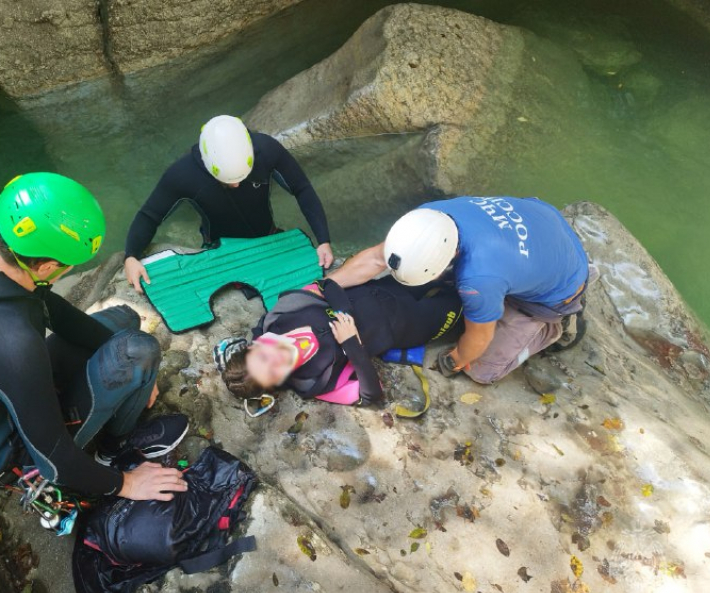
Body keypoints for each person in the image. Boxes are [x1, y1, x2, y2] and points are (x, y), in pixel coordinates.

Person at [0, 172, 189, 501]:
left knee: (124, 320)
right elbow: (54, 461)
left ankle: (129, 384)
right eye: (68, 265)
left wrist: (142, 379)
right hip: (13, 457)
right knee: (139, 350)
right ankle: (112, 450)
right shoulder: (11, 342)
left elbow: (54, 311)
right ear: (47, 267)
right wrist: (127, 484)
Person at [328, 196, 593, 384]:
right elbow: (376, 259)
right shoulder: (428, 219)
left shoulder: (478, 277)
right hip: (541, 223)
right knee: (471, 290)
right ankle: (522, 280)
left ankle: (558, 325)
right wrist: (324, 286)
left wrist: (454, 360)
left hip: (559, 288)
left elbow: (479, 337)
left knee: (480, 369)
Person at [123, 115, 334, 292]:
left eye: (242, 177)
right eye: (228, 180)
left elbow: (301, 188)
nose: (236, 185)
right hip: (221, 249)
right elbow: (149, 215)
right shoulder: (183, 174)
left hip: (268, 237)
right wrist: (131, 255)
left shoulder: (266, 149)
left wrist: (323, 239)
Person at [216, 276, 463, 406]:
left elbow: (326, 285)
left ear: (256, 345)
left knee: (447, 271)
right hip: (409, 325)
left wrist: (345, 313)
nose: (279, 358)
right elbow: (371, 395)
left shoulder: (279, 317)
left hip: (383, 289)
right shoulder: (311, 382)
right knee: (466, 300)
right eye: (275, 370)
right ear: (276, 383)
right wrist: (352, 345)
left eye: (266, 356)